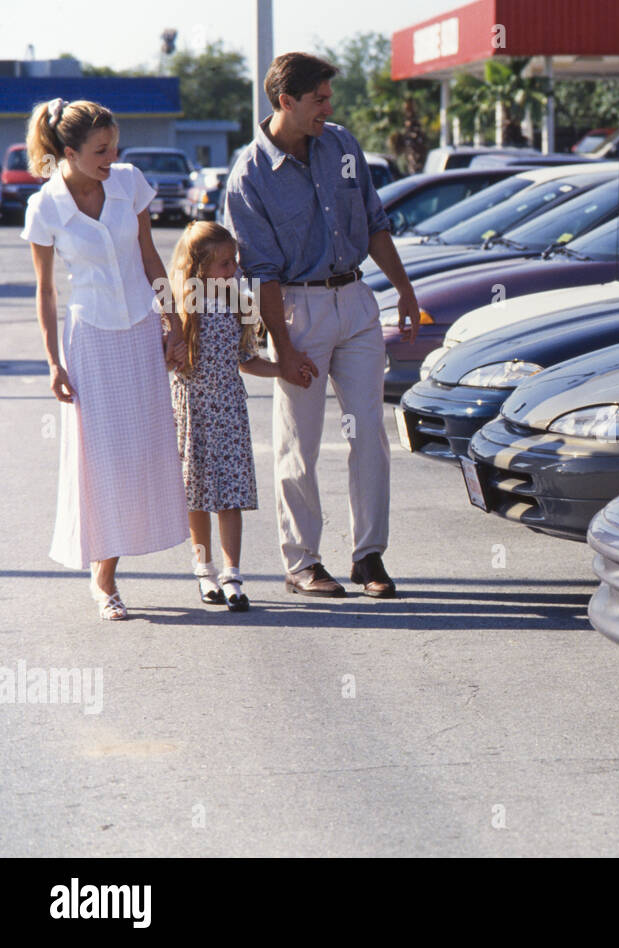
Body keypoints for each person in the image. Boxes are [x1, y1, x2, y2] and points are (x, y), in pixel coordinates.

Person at [224, 52, 420, 599]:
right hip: (296, 310)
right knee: (299, 443)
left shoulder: (342, 145)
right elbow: (259, 273)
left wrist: (403, 289)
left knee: (370, 436)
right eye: (320, 100)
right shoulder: (250, 175)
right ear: (286, 101)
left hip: (356, 302)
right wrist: (281, 348)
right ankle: (303, 562)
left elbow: (375, 222)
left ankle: (369, 556)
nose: (329, 109)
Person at [21, 97, 189, 620]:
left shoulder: (129, 182)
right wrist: (52, 361)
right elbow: (46, 292)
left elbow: (148, 254)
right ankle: (105, 579)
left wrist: (175, 322)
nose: (111, 157)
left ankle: (134, 561)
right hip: (90, 339)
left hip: (140, 329)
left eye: (114, 146)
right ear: (67, 151)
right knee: (102, 458)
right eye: (100, 150)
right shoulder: (46, 206)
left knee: (142, 451)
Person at [169, 221, 301, 611]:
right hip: (192, 409)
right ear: (199, 268)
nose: (234, 271)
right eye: (225, 264)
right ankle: (203, 568)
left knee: (230, 496)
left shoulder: (237, 303)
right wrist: (169, 354)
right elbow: (162, 358)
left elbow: (245, 360)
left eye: (235, 262)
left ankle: (232, 573)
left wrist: (281, 369)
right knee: (196, 496)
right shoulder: (180, 305)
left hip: (228, 410)